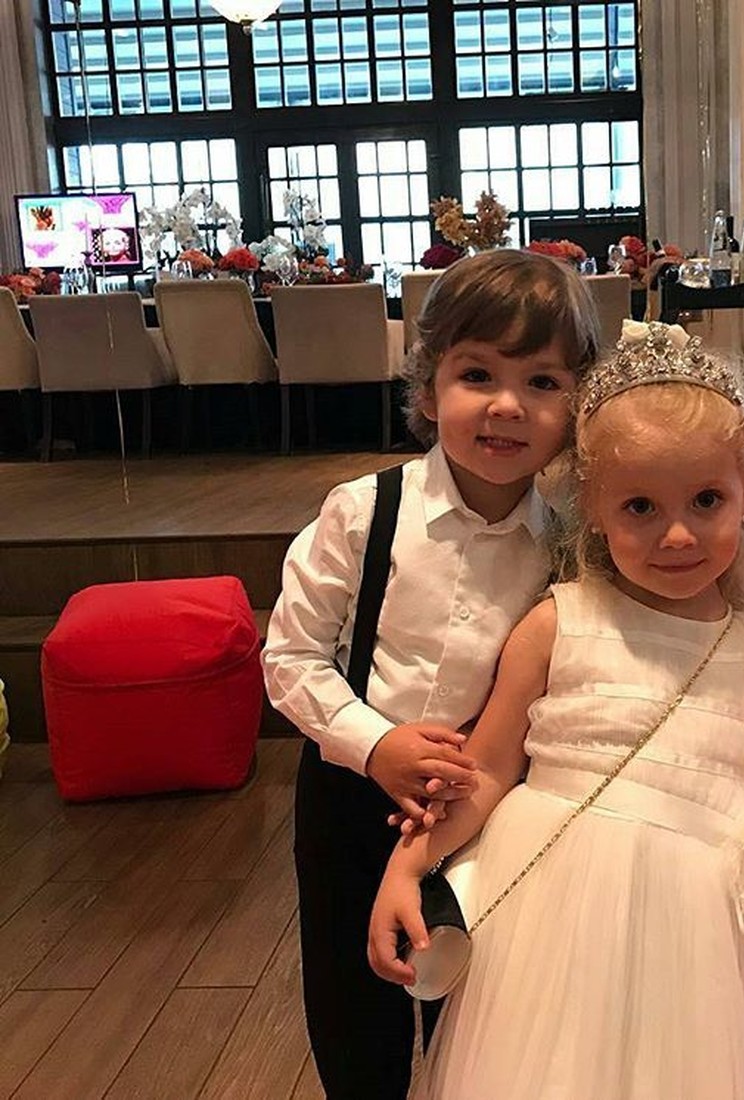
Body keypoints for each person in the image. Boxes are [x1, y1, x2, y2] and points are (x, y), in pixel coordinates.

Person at [369, 320, 744, 1099]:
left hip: (687, 938)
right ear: (593, 509)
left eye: (706, 500)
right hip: (541, 925)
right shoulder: (556, 624)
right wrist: (407, 866)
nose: (677, 534)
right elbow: (485, 775)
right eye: (639, 506)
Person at [262, 248, 601, 1100]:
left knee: (479, 1018)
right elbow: (291, 656)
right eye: (477, 374)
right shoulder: (363, 512)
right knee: (353, 1015)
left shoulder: (568, 545)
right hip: (349, 799)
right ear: (427, 388)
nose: (507, 406)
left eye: (543, 382)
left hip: (485, 812)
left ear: (578, 408)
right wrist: (375, 745)